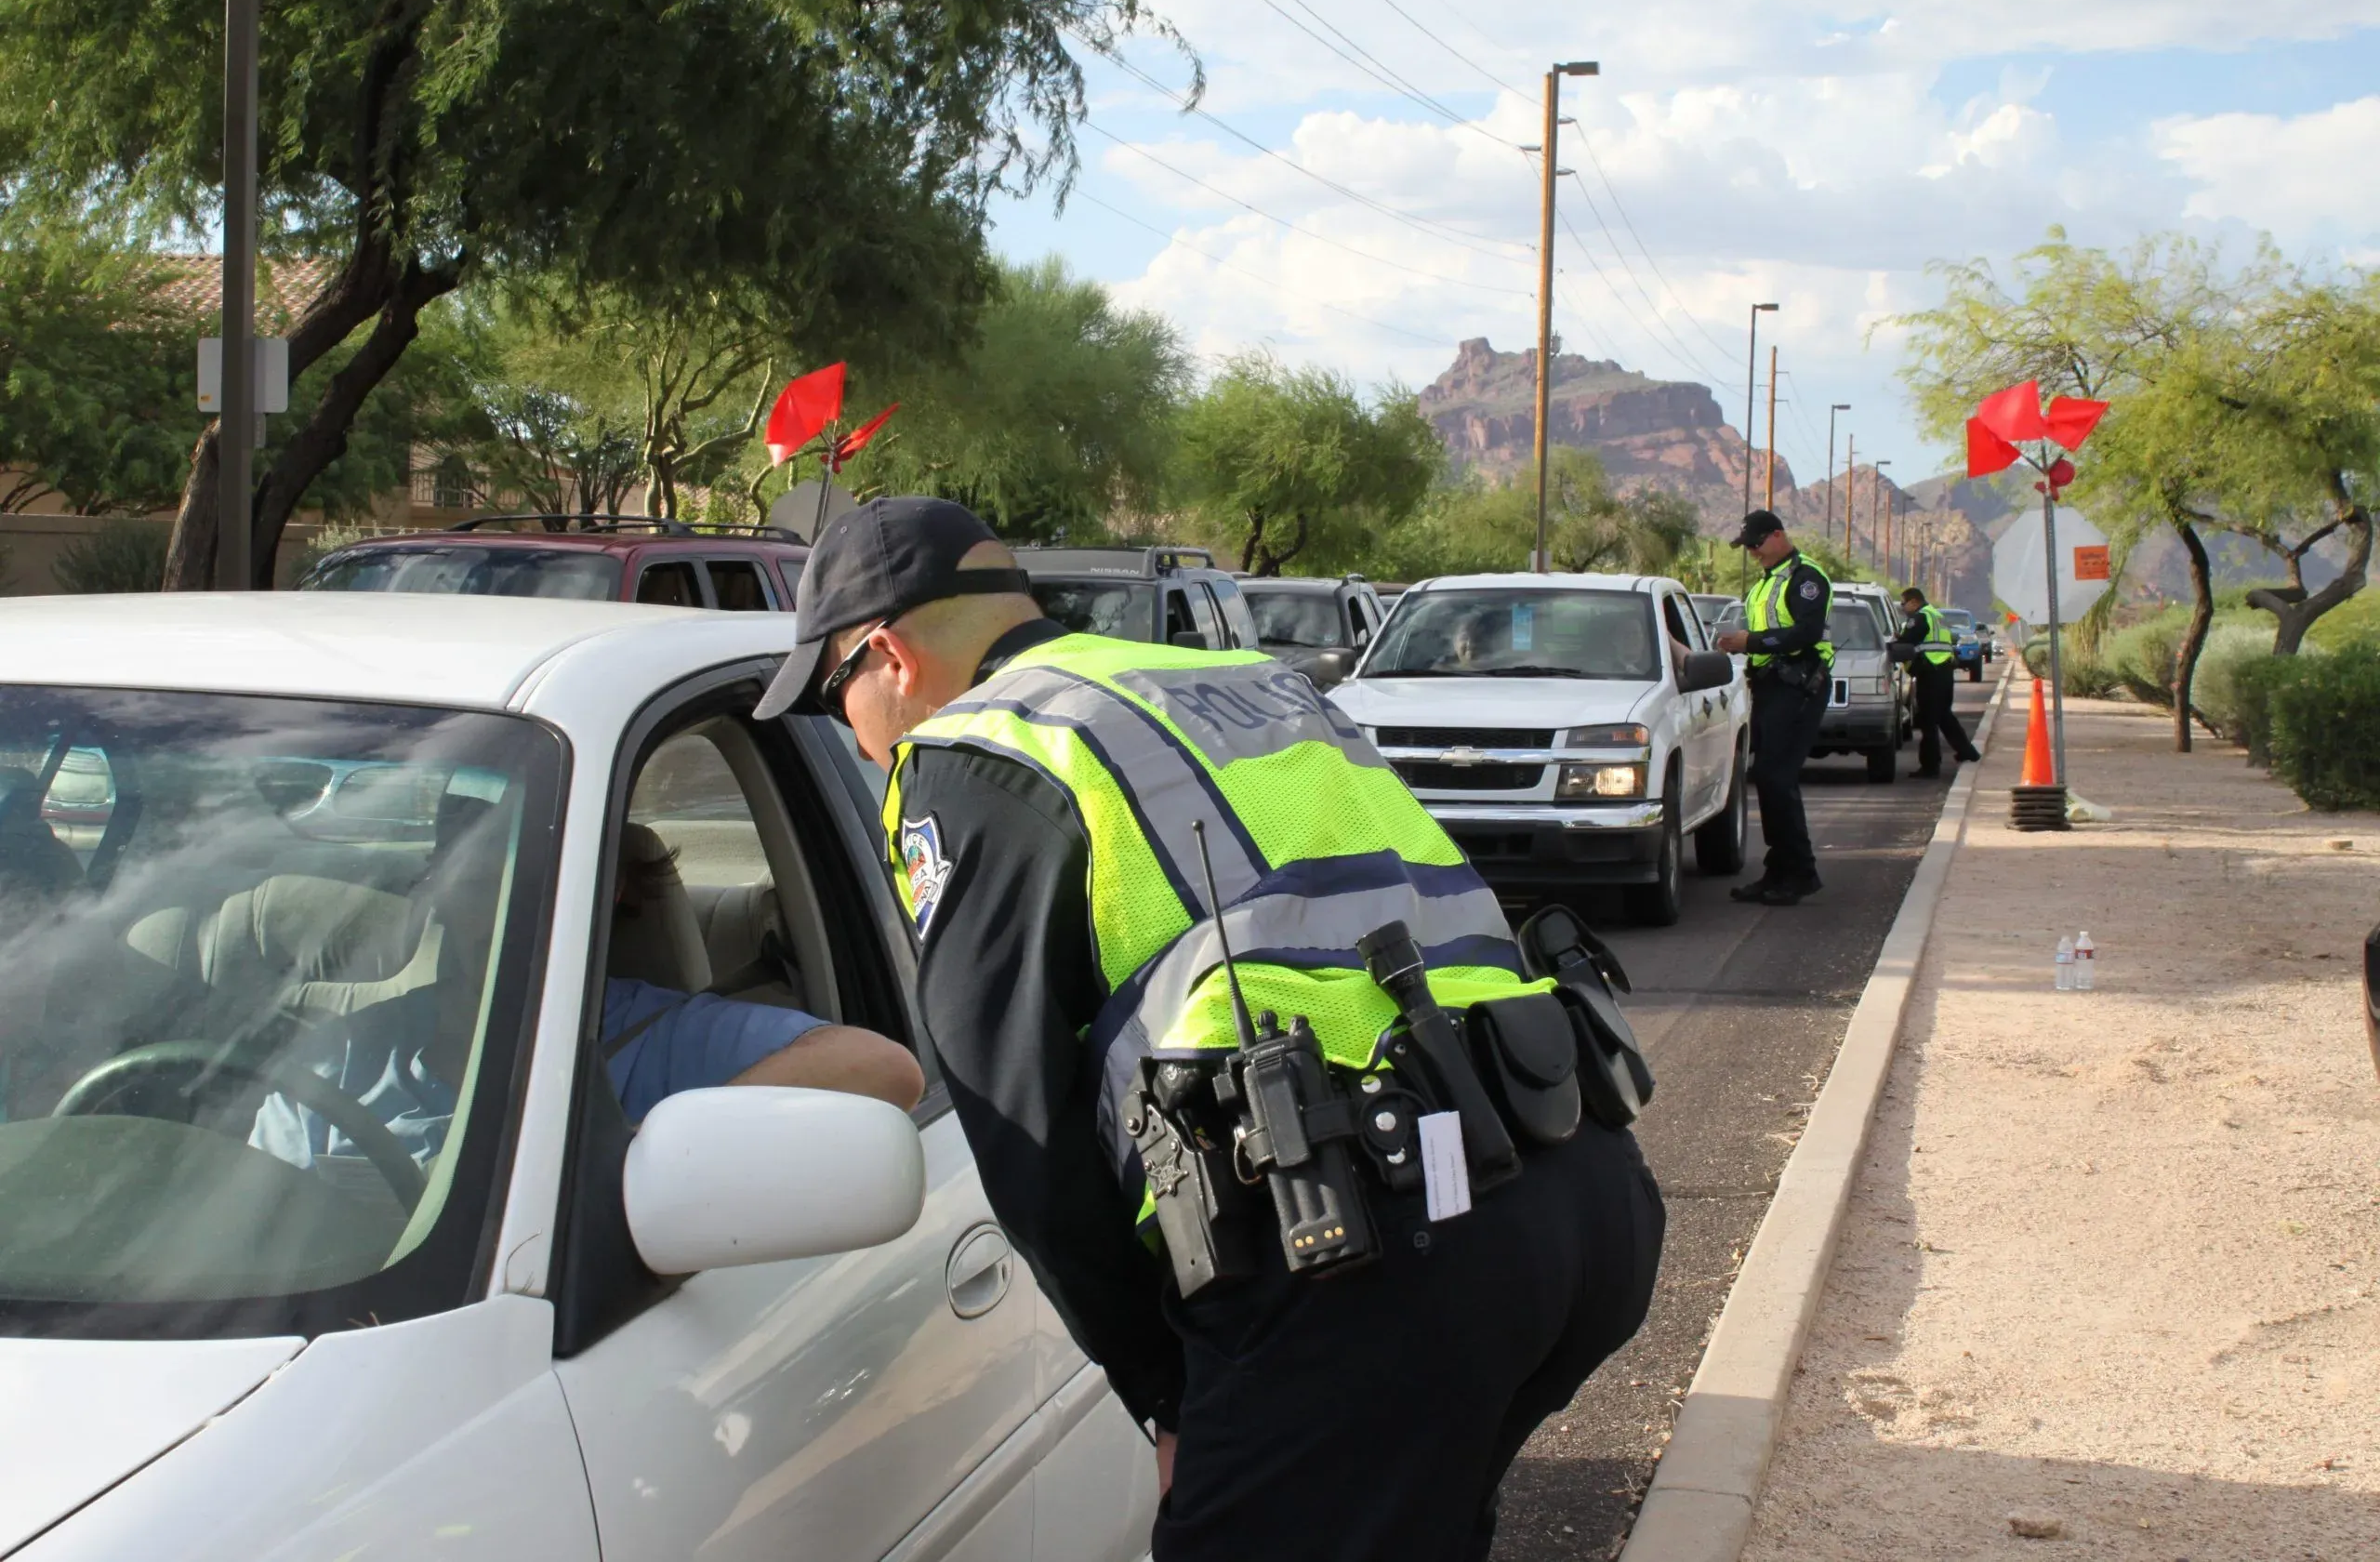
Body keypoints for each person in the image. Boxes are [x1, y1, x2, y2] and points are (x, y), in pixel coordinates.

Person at [754, 496, 1665, 1562]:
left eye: (832, 699)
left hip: (1364, 1264)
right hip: (1570, 1190)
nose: (855, 743)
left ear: (888, 655)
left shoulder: (971, 752)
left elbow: (1022, 1129)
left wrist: (1170, 1399)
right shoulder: (1235, 683)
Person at [254, 830, 921, 1172]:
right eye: (476, 873)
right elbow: (255, 1208)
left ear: (602, 896)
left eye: (534, 873)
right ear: (435, 891)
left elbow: (881, 1068)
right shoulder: (350, 1051)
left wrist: (638, 1156)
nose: (505, 897)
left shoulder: (662, 1036)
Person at [1712, 510, 1833, 906]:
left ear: (1779, 535)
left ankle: (1800, 873)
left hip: (1798, 684)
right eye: (1747, 546)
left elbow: (1806, 632)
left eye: (1757, 544)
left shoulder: (1806, 578)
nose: (1752, 552)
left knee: (1777, 778)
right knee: (1766, 779)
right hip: (1770, 686)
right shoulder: (1768, 581)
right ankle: (1778, 870)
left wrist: (1751, 643)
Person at [1896, 587, 1981, 779]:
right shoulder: (1936, 616)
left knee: (1928, 721)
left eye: (1904, 603)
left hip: (1930, 673)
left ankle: (1930, 766)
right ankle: (1968, 752)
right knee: (1944, 716)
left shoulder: (1919, 618)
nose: (1903, 608)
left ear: (1914, 602)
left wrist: (1894, 644)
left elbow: (1907, 642)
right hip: (1944, 671)